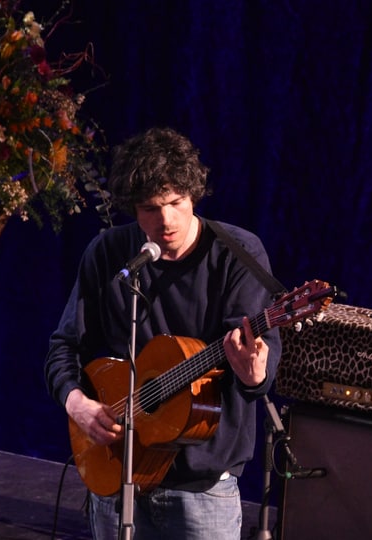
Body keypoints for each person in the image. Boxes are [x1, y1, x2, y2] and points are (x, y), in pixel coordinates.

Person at [44, 126, 281, 540]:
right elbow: (65, 347)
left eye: (176, 202)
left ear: (194, 196)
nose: (166, 220)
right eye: (152, 208)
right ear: (133, 209)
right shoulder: (109, 253)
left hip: (201, 489)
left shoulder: (237, 254)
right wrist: (77, 403)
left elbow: (258, 366)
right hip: (116, 474)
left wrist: (254, 374)